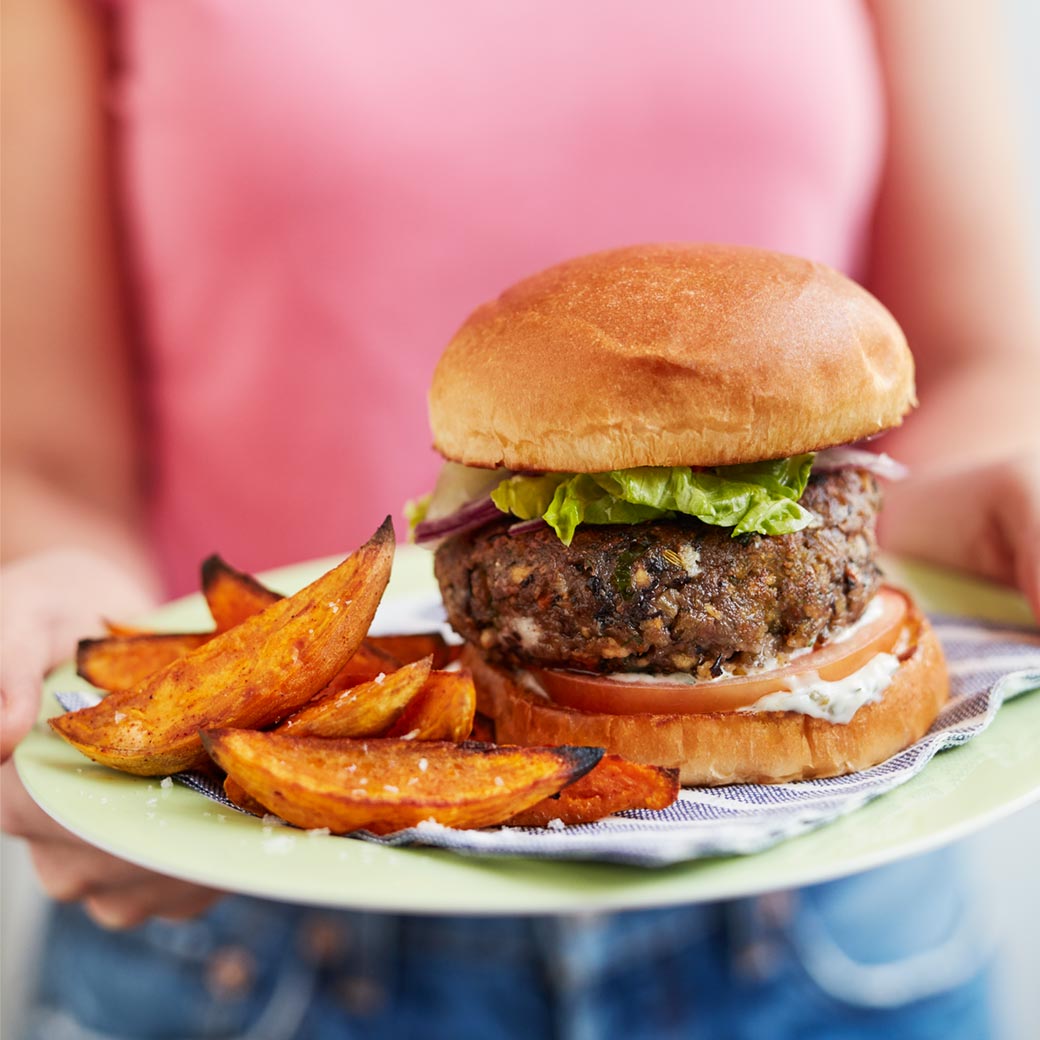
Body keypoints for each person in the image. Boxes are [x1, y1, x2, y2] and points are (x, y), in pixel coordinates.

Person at [3, 1, 1037, 1037]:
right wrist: (56, 596)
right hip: (250, 933)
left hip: (845, 912)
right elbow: (43, 459)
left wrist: (972, 500)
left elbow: (982, 358)